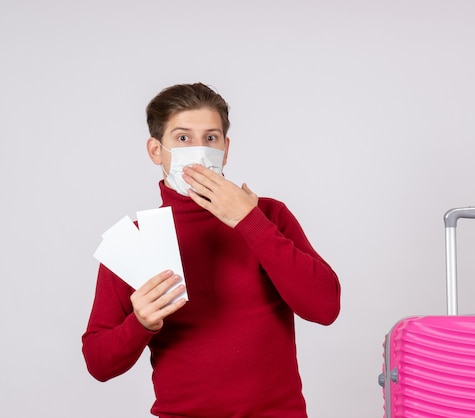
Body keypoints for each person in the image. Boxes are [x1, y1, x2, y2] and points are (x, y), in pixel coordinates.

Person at [82, 82, 341, 418]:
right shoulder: (137, 240)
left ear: (226, 148)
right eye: (183, 138)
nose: (199, 150)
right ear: (156, 150)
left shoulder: (268, 215)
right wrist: (141, 323)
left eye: (211, 138)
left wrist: (249, 221)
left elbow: (325, 307)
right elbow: (99, 363)